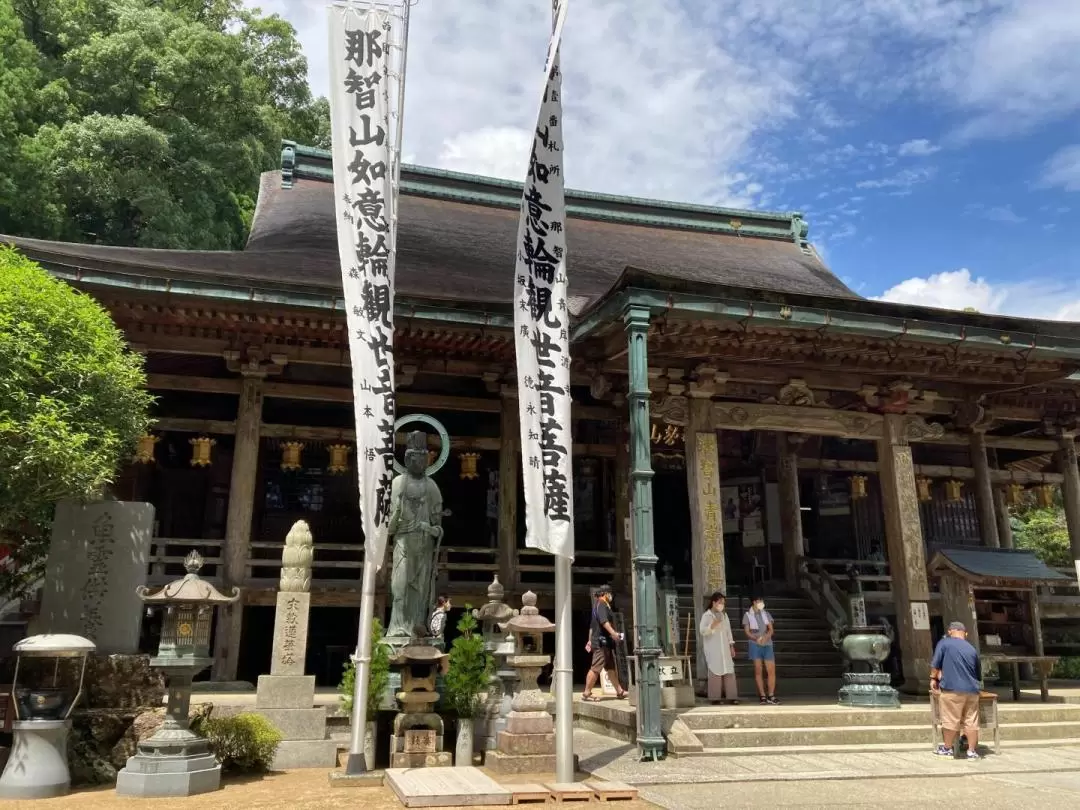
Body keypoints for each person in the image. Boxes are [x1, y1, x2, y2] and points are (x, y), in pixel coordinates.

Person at [931, 621, 982, 759]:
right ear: (965, 633)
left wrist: (933, 679)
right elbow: (978, 673)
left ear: (950, 632)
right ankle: (972, 751)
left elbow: (936, 664)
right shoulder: (971, 648)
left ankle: (947, 748)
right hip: (972, 690)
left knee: (950, 719)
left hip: (952, 688)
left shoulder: (944, 643)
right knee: (971, 721)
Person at [583, 585, 627, 702]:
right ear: (605, 594)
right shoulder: (602, 604)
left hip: (605, 642)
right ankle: (587, 693)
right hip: (601, 643)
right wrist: (613, 633)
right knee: (595, 668)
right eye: (610, 593)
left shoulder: (598, 605)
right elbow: (604, 622)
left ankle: (619, 691)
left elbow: (592, 626)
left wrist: (590, 640)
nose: (611, 596)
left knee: (611, 668)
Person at [699, 591, 738, 705]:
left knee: (729, 670)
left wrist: (731, 646)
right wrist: (712, 625)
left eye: (723, 603)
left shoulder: (724, 615)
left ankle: (732, 696)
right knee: (715, 671)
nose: (722, 605)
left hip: (725, 648)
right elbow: (703, 631)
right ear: (714, 602)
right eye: (720, 602)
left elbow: (728, 631)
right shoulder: (706, 615)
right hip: (713, 648)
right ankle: (715, 698)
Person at [743, 595, 778, 704]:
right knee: (758, 670)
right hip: (755, 644)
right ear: (754, 602)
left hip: (767, 644)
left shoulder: (766, 614)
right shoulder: (748, 615)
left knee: (771, 670)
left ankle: (771, 695)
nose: (761, 603)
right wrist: (756, 638)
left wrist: (766, 637)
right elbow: (747, 632)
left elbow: (771, 630)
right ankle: (762, 695)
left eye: (762, 601)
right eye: (759, 601)